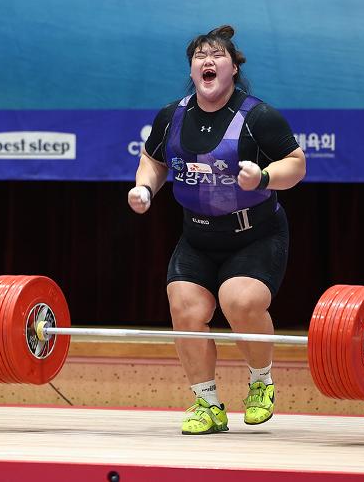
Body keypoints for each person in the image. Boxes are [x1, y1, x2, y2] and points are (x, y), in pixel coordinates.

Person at [127, 25, 306, 435]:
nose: (208, 61)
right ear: (192, 70)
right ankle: (206, 404)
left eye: (217, 56)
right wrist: (144, 187)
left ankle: (261, 381)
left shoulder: (258, 117)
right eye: (200, 57)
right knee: (184, 307)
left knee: (239, 301)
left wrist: (262, 176)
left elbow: (296, 165)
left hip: (256, 234)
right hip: (198, 236)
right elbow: (152, 159)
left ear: (232, 69)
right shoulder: (171, 115)